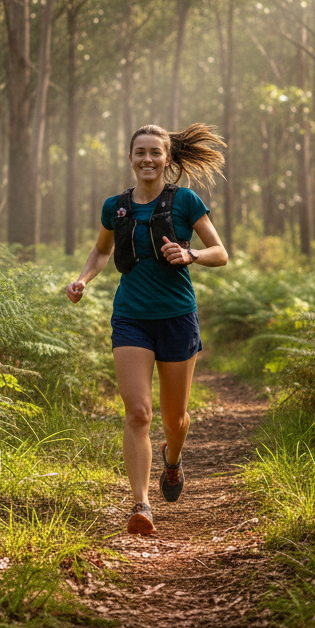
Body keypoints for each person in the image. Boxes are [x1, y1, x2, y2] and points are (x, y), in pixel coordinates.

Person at [66, 123, 228, 534]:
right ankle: (140, 504)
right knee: (138, 412)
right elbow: (102, 250)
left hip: (176, 317)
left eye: (156, 152)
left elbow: (220, 253)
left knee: (175, 420)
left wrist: (191, 254)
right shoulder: (115, 207)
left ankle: (171, 462)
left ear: (167, 159)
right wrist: (84, 278)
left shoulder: (186, 201)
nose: (148, 159)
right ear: (130, 158)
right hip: (131, 318)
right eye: (140, 152)